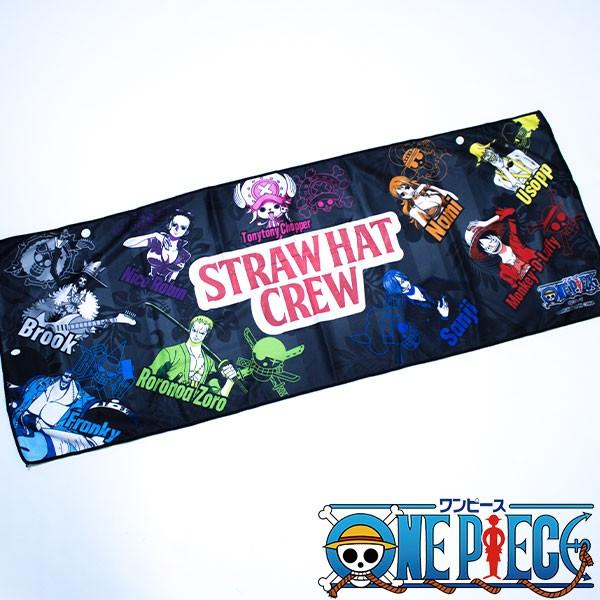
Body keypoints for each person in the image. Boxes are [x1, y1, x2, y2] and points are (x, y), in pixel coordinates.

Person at [149, 315, 237, 397]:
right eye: (194, 330)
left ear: (206, 335)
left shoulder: (209, 362)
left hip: (196, 405)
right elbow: (147, 378)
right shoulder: (170, 353)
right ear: (189, 330)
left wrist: (230, 381)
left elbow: (218, 397)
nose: (196, 335)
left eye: (201, 333)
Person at [465, 207, 538, 288]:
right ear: (487, 253)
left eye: (492, 240)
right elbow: (520, 288)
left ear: (497, 236)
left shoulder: (515, 239)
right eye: (488, 247)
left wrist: (486, 223)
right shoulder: (503, 273)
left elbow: (511, 212)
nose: (493, 245)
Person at [123, 210, 192, 282]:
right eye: (174, 224)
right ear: (169, 225)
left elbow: (174, 275)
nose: (177, 229)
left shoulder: (184, 254)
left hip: (163, 287)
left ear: (186, 231)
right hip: (140, 281)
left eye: (183, 227)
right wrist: (154, 235)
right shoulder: (156, 242)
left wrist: (169, 284)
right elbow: (127, 243)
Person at [389, 176, 457, 229]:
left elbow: (452, 197)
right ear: (402, 198)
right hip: (441, 223)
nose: (408, 192)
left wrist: (434, 189)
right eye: (403, 194)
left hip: (451, 212)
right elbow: (428, 227)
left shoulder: (427, 192)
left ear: (410, 184)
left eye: (407, 187)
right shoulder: (413, 211)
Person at [383, 270, 449, 319]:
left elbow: (454, 285)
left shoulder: (431, 282)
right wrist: (444, 316)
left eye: (402, 282)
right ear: (396, 291)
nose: (404, 287)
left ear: (404, 277)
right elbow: (430, 330)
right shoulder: (410, 312)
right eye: (399, 287)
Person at [483, 515, 505, 579]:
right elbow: (484, 538)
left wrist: (499, 545)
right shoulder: (488, 530)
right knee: (491, 560)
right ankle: (491, 573)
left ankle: (495, 573)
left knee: (496, 560)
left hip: (495, 548)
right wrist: (487, 545)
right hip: (491, 548)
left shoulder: (498, 530)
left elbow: (502, 538)